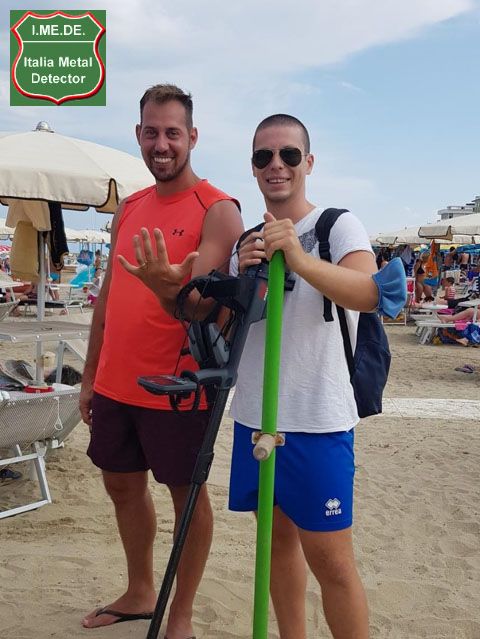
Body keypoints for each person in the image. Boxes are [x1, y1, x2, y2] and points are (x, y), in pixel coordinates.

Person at [79, 84, 243, 637]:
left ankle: (182, 614)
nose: (162, 144)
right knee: (122, 486)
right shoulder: (129, 207)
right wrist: (89, 377)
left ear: (192, 137)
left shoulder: (218, 210)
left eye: (173, 133)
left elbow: (208, 309)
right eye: (151, 132)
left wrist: (166, 287)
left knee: (186, 497)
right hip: (114, 383)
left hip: (179, 387)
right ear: (138, 135)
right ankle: (140, 590)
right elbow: (106, 300)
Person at [227, 114, 377, 638]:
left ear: (308, 163)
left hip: (318, 419)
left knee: (331, 560)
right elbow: (232, 326)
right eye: (263, 156)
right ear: (252, 166)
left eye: (288, 154)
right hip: (255, 414)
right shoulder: (246, 241)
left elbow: (369, 293)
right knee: (275, 544)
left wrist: (299, 259)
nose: (276, 165)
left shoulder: (337, 226)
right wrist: (241, 276)